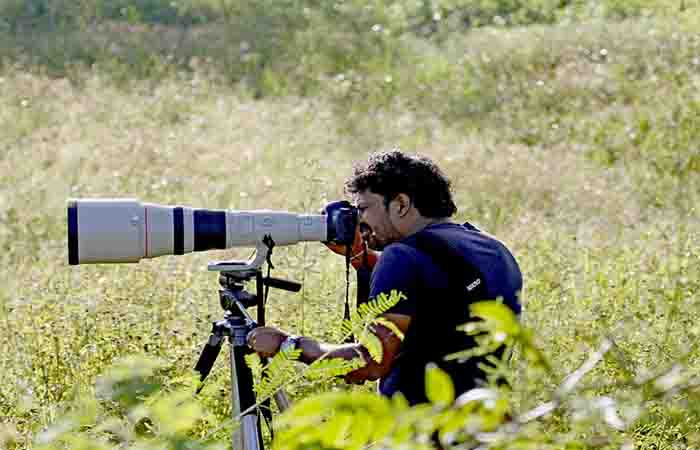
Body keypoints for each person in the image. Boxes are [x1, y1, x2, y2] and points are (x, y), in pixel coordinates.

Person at [247, 150, 522, 405]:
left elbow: (369, 363)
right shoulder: (493, 249)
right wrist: (361, 257)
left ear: (400, 204)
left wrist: (288, 345)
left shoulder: (400, 258)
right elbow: (440, 291)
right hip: (489, 424)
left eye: (364, 209)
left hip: (420, 429)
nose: (359, 222)